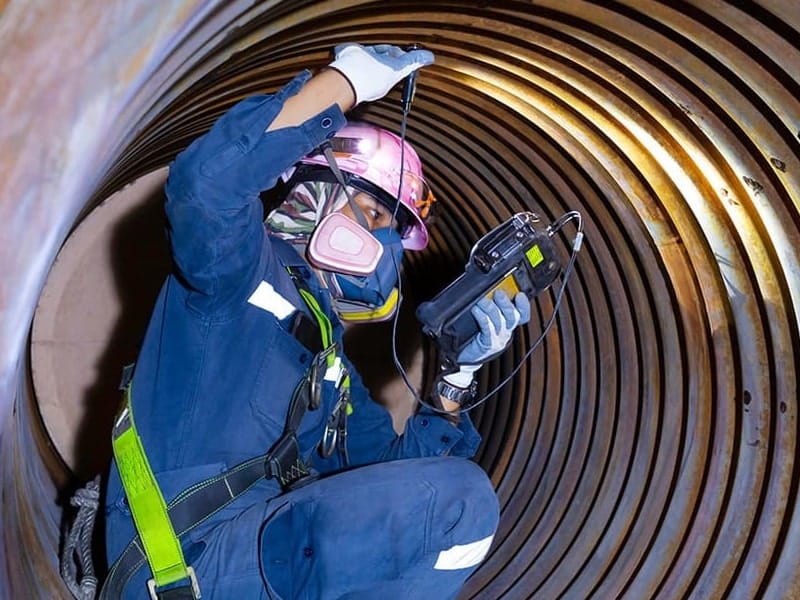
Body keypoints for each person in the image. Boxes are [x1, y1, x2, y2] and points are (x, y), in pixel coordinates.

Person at [101, 43, 531, 599]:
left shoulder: (333, 369)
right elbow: (205, 190)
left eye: (395, 233)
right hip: (186, 565)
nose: (383, 245)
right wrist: (341, 84)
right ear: (317, 191)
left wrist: (453, 376)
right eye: (374, 213)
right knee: (461, 503)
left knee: (448, 506)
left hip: (252, 562)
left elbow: (401, 487)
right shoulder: (237, 272)